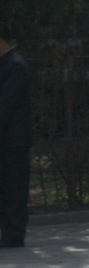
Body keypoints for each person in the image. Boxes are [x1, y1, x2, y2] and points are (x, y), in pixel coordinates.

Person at [0, 24, 32, 248]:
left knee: (13, 186)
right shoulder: (6, 64)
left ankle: (13, 235)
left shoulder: (15, 66)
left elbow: (6, 105)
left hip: (12, 140)